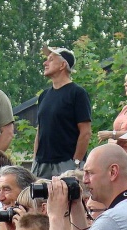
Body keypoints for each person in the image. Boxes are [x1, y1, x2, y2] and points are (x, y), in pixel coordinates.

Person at [31, 46, 91, 178]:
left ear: (62, 65)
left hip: (66, 163)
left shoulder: (77, 93)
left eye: (51, 59)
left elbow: (85, 132)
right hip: (41, 165)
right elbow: (40, 131)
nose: (45, 63)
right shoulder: (44, 95)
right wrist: (35, 159)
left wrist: (76, 163)